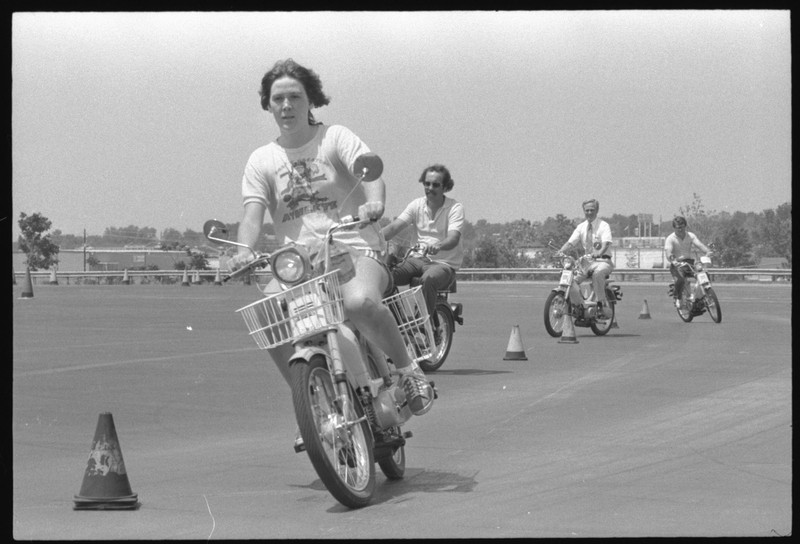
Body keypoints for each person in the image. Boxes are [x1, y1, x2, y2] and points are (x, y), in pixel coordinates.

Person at [234, 59, 434, 435]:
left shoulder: (334, 137)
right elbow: (252, 214)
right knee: (268, 320)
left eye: (295, 96)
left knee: (359, 303)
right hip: (300, 262)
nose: (287, 105)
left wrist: (374, 204)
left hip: (353, 244)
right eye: (278, 99)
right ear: (268, 105)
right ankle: (313, 400)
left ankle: (408, 372)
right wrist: (244, 249)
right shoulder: (261, 160)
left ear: (312, 101)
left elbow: (370, 173)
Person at [381, 164, 464, 340]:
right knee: (384, 276)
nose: (430, 188)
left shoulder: (454, 208)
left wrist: (439, 246)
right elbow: (395, 226)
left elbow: (454, 238)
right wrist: (373, 239)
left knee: (429, 279)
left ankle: (424, 325)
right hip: (417, 259)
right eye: (427, 184)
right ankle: (399, 323)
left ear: (445, 187)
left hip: (443, 264)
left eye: (435, 185)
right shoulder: (416, 205)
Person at [558, 199, 615, 318]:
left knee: (597, 274)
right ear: (583, 211)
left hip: (603, 261)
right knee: (570, 278)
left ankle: (600, 304)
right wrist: (561, 251)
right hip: (586, 261)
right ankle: (578, 305)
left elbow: (606, 243)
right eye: (587, 210)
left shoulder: (603, 226)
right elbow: (570, 242)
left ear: (597, 210)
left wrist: (599, 252)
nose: (589, 212)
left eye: (592, 210)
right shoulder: (581, 227)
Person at [664, 215, 712, 309]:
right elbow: (668, 251)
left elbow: (699, 244)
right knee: (680, 280)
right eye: (678, 228)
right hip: (676, 264)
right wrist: (672, 260)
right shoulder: (670, 238)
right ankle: (678, 297)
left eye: (682, 227)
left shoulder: (690, 236)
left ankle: (698, 297)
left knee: (704, 275)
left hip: (689, 262)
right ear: (674, 228)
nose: (680, 230)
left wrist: (707, 251)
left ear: (685, 226)